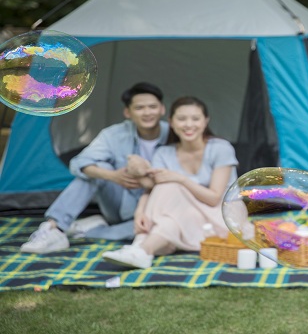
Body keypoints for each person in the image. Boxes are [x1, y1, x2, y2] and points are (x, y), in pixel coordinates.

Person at [20, 83, 169, 253]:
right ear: (128, 112)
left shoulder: (175, 134)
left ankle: (88, 229)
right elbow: (78, 163)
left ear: (162, 109)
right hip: (120, 202)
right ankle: (53, 228)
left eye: (152, 107)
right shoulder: (114, 134)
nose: (148, 113)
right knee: (96, 168)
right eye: (140, 108)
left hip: (157, 208)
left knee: (158, 229)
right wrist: (113, 176)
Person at [102, 96, 238, 269]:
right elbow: (153, 188)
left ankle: (139, 247)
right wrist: (140, 211)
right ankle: (143, 251)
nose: (189, 125)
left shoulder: (220, 148)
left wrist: (180, 178)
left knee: (170, 185)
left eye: (195, 119)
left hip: (220, 214)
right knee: (169, 211)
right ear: (171, 122)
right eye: (181, 119)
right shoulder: (164, 153)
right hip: (186, 215)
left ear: (205, 121)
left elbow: (214, 198)